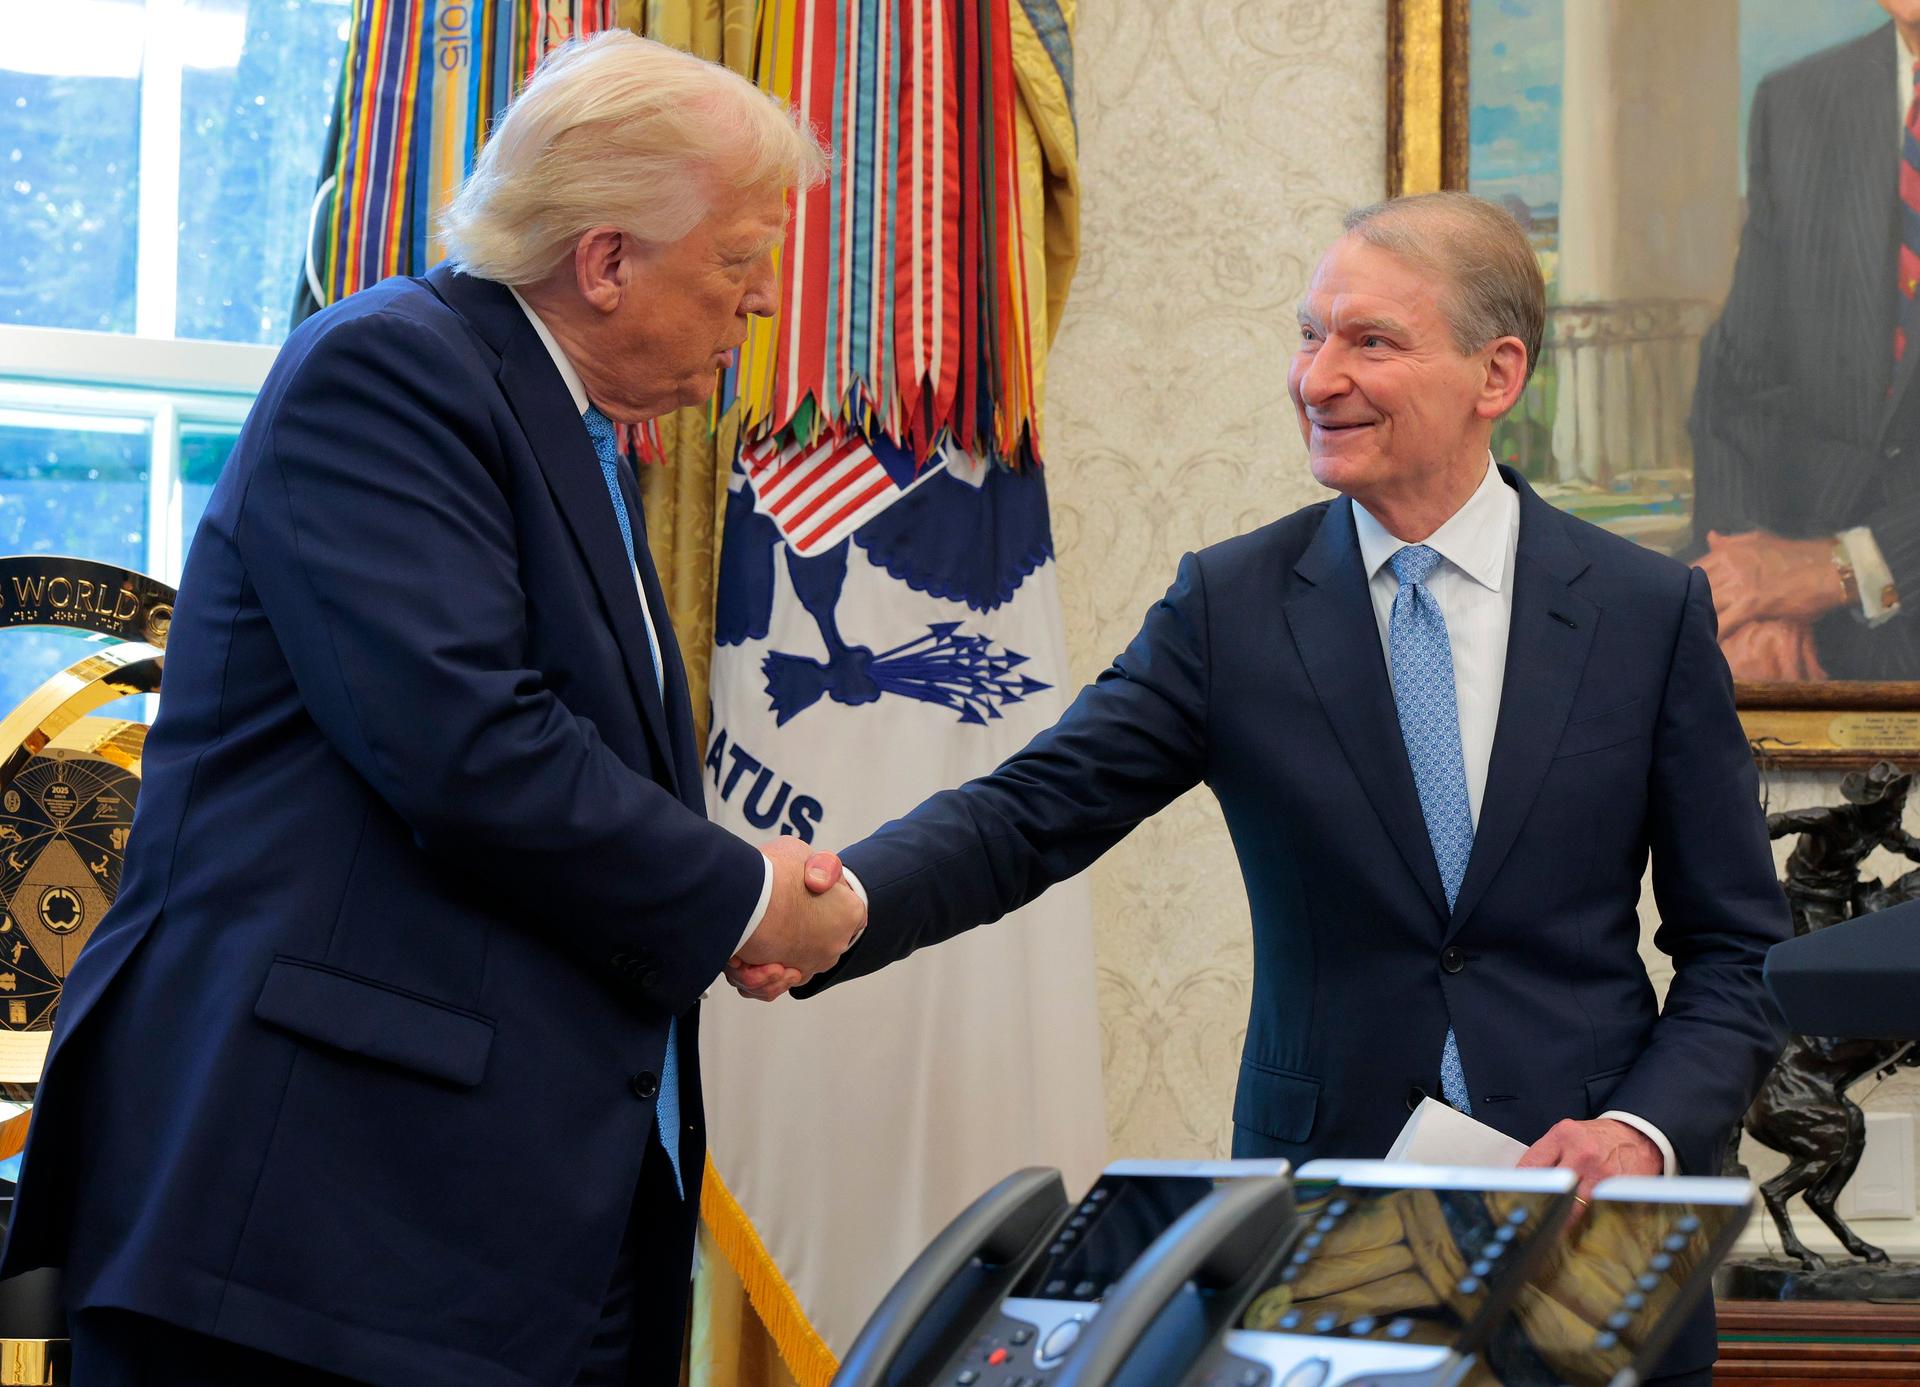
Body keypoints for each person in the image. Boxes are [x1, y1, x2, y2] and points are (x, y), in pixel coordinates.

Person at [772, 193, 1791, 1385]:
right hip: (1327, 1243)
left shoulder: (1644, 612)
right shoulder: (1231, 608)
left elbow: (1739, 949)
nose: (1318, 377)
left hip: (1587, 1239)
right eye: (1310, 335)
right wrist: (840, 902)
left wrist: (1640, 1132)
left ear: (1497, 373)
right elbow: (1027, 813)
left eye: (1371, 341)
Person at [0, 32, 862, 1387]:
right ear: (607, 258)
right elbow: (472, 751)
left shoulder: (562, 428)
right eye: (742, 259)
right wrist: (745, 897)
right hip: (306, 1238)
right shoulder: (389, 372)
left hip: (473, 1235)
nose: (760, 302)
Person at [1689, 2, 1920, 680]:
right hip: (1799, 569)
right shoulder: (1797, 101)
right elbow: (1739, 378)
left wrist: (1849, 567)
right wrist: (1751, 587)